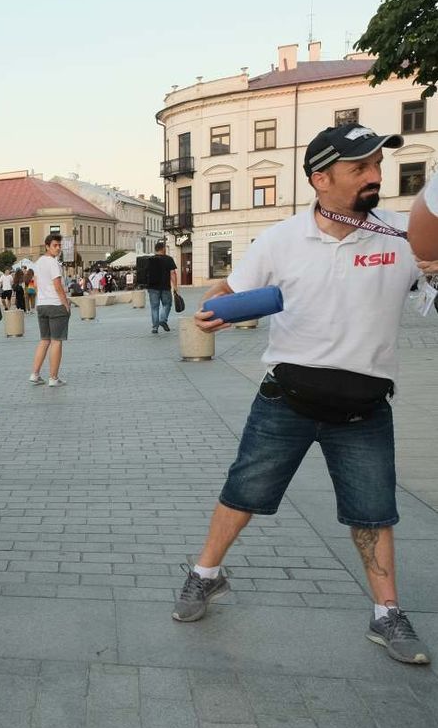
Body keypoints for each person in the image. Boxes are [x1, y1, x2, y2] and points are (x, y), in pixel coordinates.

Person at [173, 124, 432, 667]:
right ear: (321, 178)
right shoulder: (280, 238)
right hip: (285, 399)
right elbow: (229, 292)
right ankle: (206, 575)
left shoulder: (402, 237)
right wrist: (214, 310)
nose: (375, 176)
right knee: (242, 491)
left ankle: (387, 613)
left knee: (373, 512)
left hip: (363, 409)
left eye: (377, 165)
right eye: (360, 167)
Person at [29, 234, 72, 388]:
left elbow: (36, 284)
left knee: (44, 339)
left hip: (42, 305)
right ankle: (53, 377)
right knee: (56, 341)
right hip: (55, 304)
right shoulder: (53, 263)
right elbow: (58, 286)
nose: (58, 248)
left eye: (59, 245)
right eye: (55, 245)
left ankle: (35, 374)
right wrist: (65, 303)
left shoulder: (38, 262)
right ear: (47, 246)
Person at [147, 240, 179, 334]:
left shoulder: (150, 259)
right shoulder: (168, 259)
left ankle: (155, 328)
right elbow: (172, 273)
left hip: (152, 287)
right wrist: (175, 286)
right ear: (163, 249)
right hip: (165, 287)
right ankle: (163, 320)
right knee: (167, 304)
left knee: (154, 307)